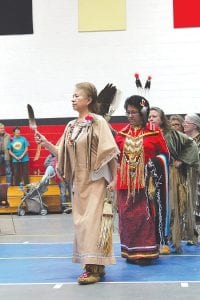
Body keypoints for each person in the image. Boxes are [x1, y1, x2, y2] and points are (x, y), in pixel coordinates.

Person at [34, 82, 119, 284]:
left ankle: (92, 269)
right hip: (79, 183)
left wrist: (115, 179)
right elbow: (61, 153)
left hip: (97, 179)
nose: (73, 99)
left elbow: (110, 153)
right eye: (72, 96)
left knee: (93, 224)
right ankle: (96, 264)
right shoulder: (71, 126)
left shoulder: (98, 122)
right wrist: (45, 142)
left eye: (77, 96)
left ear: (88, 100)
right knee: (82, 225)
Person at [115, 95, 169, 265]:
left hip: (146, 184)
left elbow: (165, 155)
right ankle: (130, 251)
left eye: (134, 112)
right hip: (125, 184)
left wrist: (153, 164)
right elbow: (115, 156)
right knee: (127, 218)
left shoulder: (154, 132)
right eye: (128, 112)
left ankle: (145, 253)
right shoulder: (122, 134)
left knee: (144, 217)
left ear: (143, 113)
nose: (130, 116)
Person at [149, 107, 199, 252]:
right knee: (153, 207)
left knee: (170, 207)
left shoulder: (172, 134)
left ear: (161, 119)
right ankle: (154, 240)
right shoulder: (146, 134)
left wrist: (181, 160)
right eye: (150, 116)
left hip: (171, 175)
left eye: (154, 116)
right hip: (152, 177)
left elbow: (191, 145)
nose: (151, 119)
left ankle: (169, 239)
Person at [183, 113, 200, 222]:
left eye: (186, 122)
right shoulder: (184, 141)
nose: (183, 124)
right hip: (186, 182)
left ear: (194, 125)